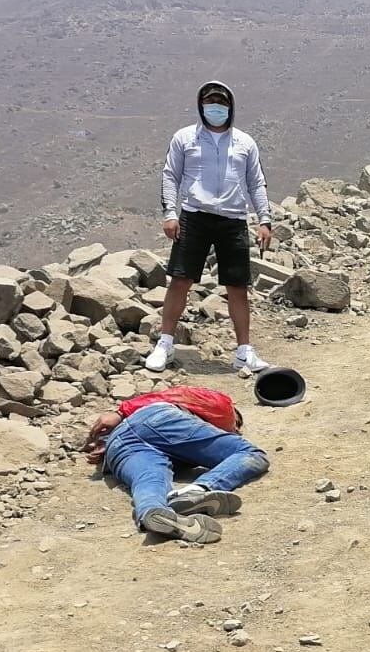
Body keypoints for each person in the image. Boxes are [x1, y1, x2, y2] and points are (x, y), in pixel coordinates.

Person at [146, 80, 274, 374]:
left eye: (221, 102)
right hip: (194, 216)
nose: (215, 107)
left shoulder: (244, 142)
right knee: (180, 279)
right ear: (200, 105)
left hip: (233, 219)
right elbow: (170, 175)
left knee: (238, 286)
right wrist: (169, 213)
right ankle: (165, 343)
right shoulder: (184, 138)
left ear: (230, 106)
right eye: (209, 102)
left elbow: (256, 182)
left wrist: (264, 219)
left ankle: (244, 351)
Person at [84, 385, 269, 543]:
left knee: (150, 480)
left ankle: (152, 511)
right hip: (159, 419)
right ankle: (197, 491)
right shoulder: (223, 407)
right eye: (237, 424)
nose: (237, 429)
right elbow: (177, 397)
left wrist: (107, 439)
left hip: (116, 444)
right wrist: (120, 412)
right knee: (251, 453)